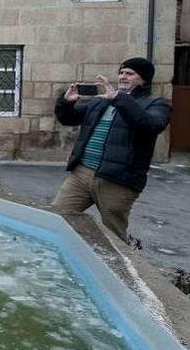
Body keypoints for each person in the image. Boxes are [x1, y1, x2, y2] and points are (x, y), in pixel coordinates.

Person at [52, 58, 171, 243]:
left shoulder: (156, 103)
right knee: (56, 215)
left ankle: (120, 270)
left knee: (113, 236)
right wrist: (66, 102)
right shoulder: (102, 101)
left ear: (144, 79)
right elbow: (69, 119)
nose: (123, 77)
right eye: (121, 72)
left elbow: (150, 125)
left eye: (130, 73)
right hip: (82, 174)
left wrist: (119, 99)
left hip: (118, 180)